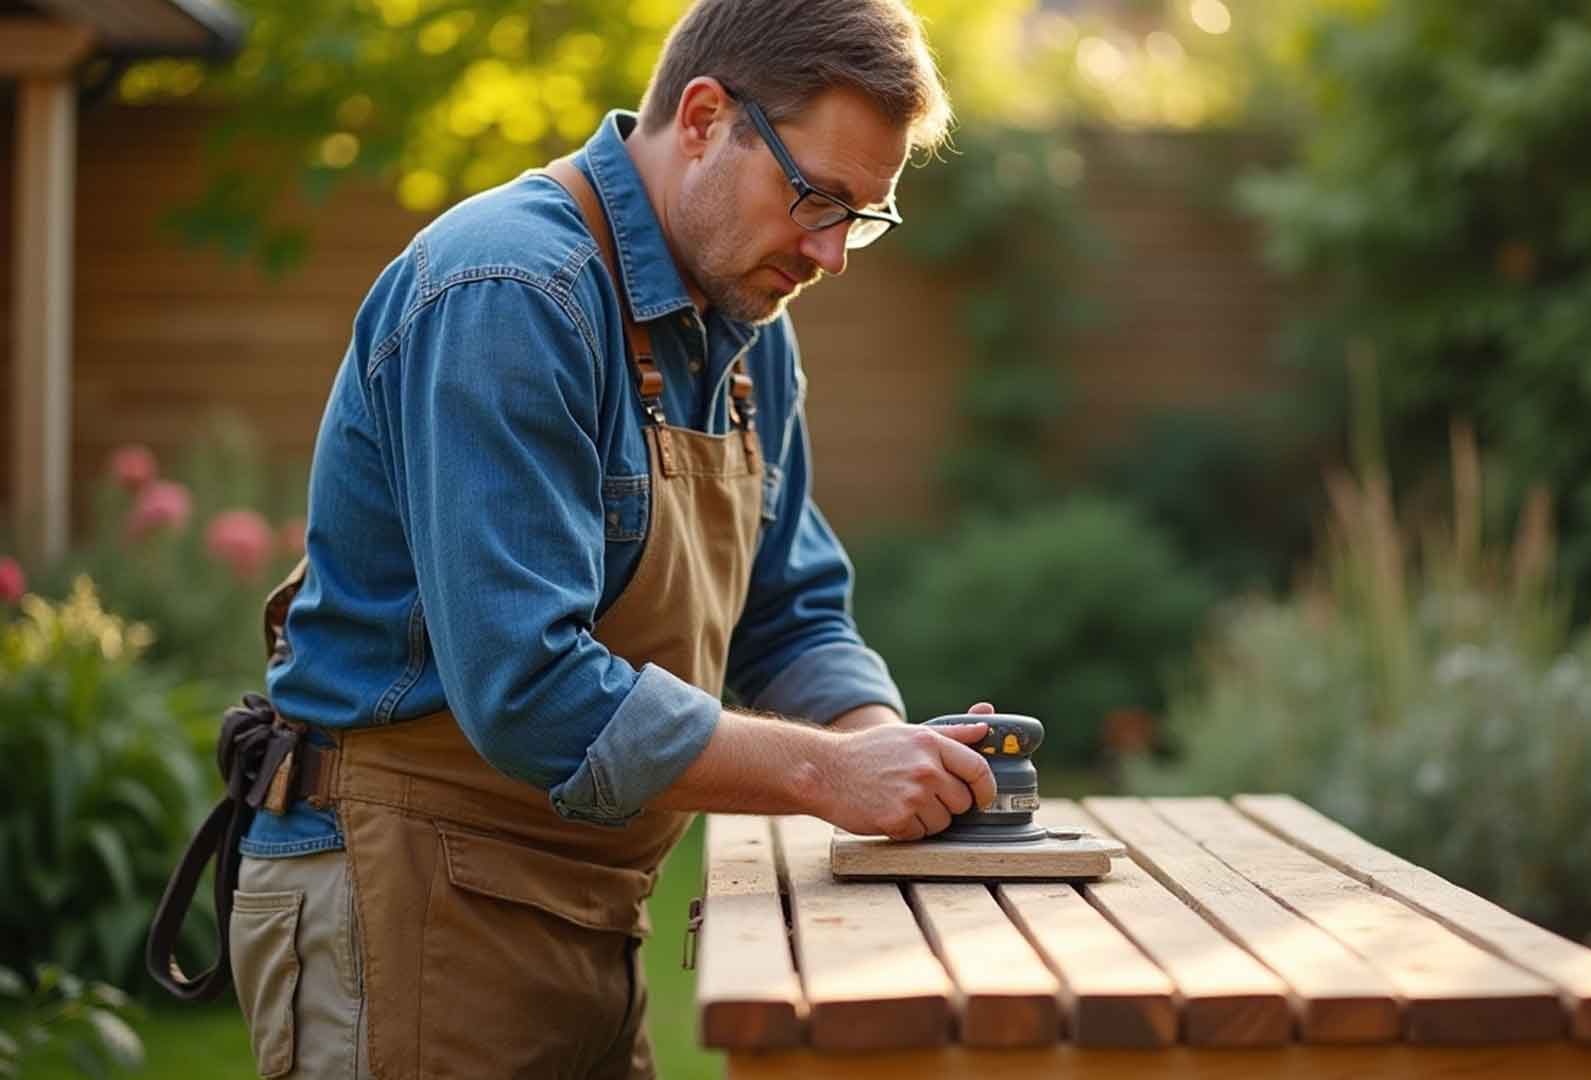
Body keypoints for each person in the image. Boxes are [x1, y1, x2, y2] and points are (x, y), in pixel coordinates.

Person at [168, 1, 996, 1075]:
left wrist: (899, 763)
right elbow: (529, 686)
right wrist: (829, 775)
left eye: (862, 219)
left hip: (590, 909)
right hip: (404, 898)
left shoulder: (745, 331)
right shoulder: (510, 292)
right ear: (704, 119)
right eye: (817, 198)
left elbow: (790, 613)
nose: (831, 254)